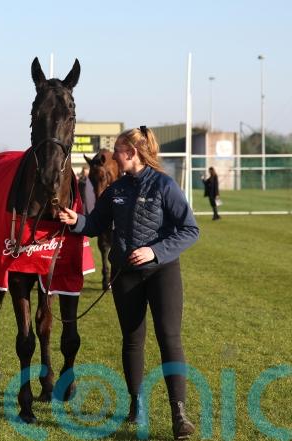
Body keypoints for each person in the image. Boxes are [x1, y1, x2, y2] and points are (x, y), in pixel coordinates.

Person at [59, 126, 200, 440]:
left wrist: (155, 251)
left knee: (169, 339)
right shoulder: (116, 190)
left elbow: (190, 229)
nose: (113, 157)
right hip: (125, 275)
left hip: (162, 273)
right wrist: (76, 221)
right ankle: (136, 405)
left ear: (132, 153)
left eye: (118, 151)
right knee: (132, 340)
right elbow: (96, 224)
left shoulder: (164, 185)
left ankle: (179, 414)